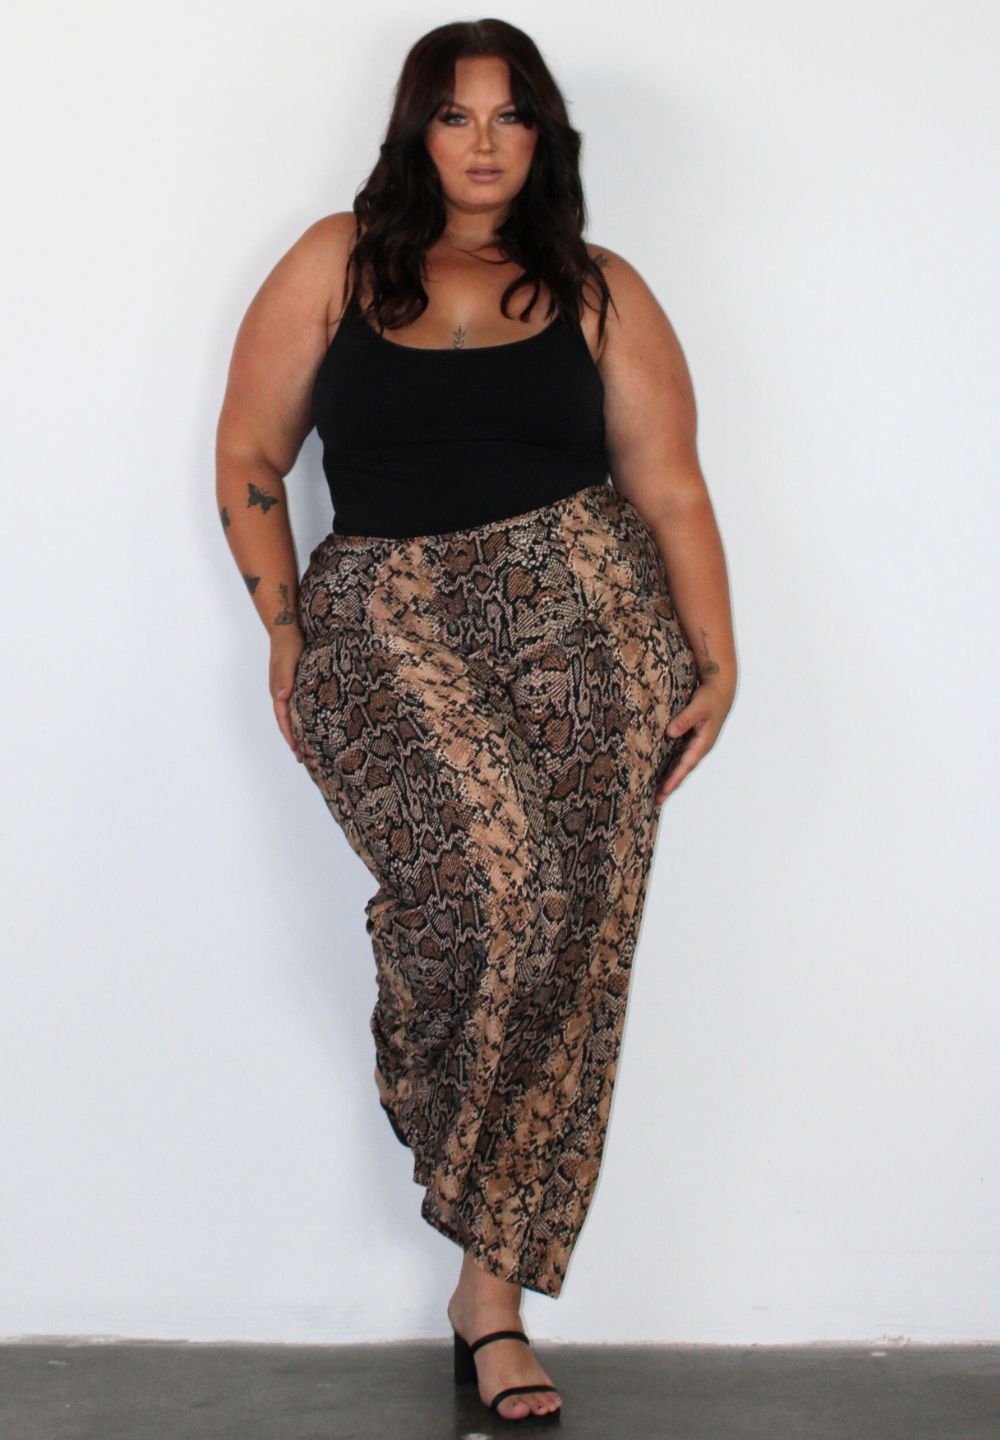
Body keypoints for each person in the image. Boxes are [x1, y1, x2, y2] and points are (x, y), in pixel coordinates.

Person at [215, 18, 736, 1427]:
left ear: (544, 135)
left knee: (579, 946)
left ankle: (490, 1301)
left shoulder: (599, 288)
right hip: (384, 616)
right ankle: (445, 1124)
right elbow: (251, 450)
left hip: (590, 626)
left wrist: (717, 656)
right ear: (418, 132)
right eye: (457, 116)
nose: (486, 142)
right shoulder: (336, 260)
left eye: (511, 116)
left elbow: (671, 485)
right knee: (501, 895)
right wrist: (284, 626)